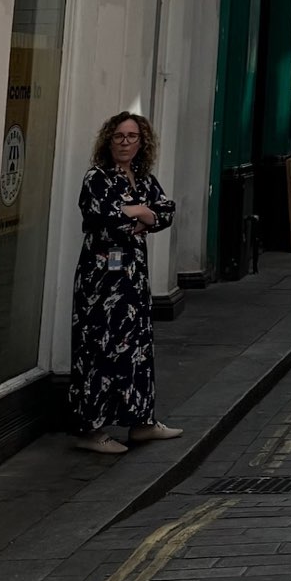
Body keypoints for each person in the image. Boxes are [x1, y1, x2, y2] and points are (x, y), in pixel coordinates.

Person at [68, 113, 180, 454]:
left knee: (137, 347)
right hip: (102, 281)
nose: (125, 142)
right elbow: (104, 218)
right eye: (119, 136)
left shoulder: (143, 178)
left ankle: (142, 423)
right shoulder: (97, 177)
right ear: (108, 140)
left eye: (132, 136)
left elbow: (166, 210)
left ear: (142, 142)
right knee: (99, 348)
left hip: (133, 276)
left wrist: (140, 212)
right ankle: (90, 431)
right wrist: (141, 213)